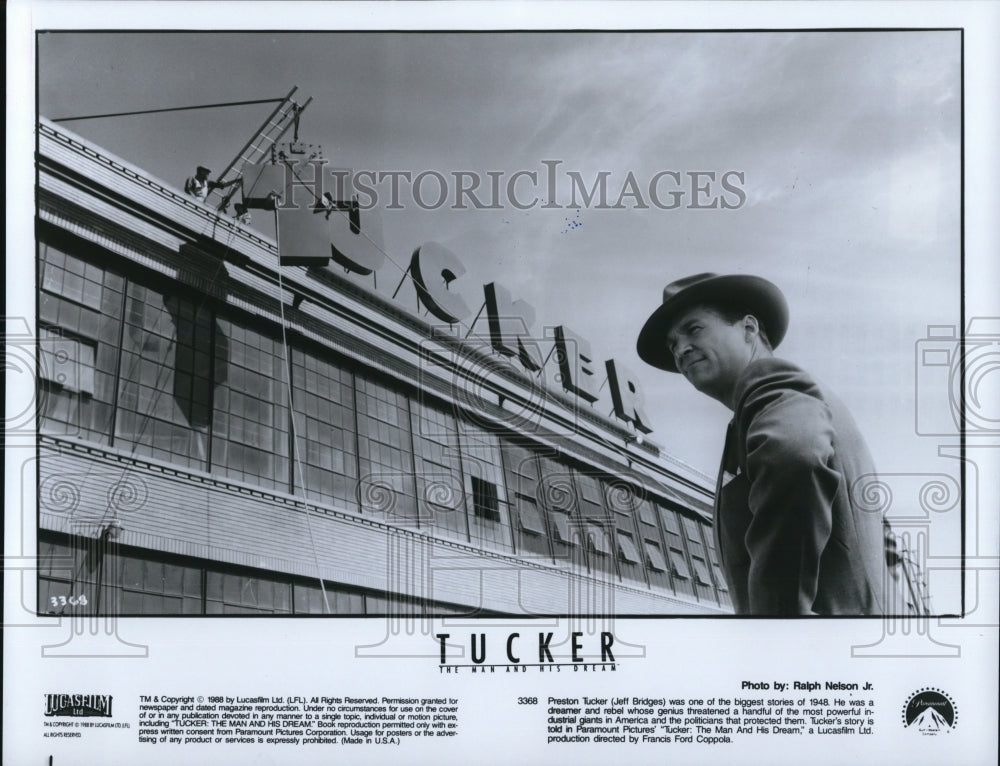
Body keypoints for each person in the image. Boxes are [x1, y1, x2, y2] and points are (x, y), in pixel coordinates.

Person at [636, 272, 900, 615]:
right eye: (672, 344)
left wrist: (774, 627)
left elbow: (795, 457)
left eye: (694, 329)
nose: (681, 349)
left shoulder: (771, 383)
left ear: (748, 328)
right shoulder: (765, 410)